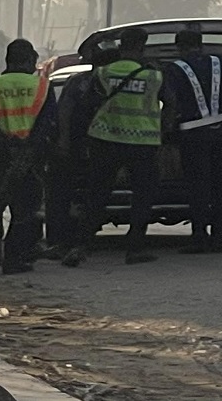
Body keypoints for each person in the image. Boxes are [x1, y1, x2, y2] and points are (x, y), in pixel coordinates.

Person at [63, 27, 173, 267]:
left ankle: (80, 247)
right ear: (142, 47)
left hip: (106, 141)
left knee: (97, 196)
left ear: (121, 46)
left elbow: (86, 106)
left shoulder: (103, 73)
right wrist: (163, 133)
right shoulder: (154, 76)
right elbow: (172, 106)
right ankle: (134, 249)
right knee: (142, 197)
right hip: (143, 144)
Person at [163, 29, 222, 254]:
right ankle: (221, 236)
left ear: (179, 47)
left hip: (193, 135)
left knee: (198, 185)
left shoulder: (174, 69)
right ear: (201, 45)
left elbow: (171, 102)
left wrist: (165, 130)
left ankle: (200, 237)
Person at [0, 39, 57, 275]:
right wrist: (28, 146)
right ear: (30, 60)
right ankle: (14, 259)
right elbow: (47, 123)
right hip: (30, 157)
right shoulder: (42, 86)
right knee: (24, 211)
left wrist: (5, 143)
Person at [46, 39, 119, 259]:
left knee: (63, 193)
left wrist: (64, 142)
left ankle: (62, 241)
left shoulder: (79, 82)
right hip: (106, 147)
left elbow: (64, 113)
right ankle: (80, 239)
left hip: (80, 146)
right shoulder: (114, 82)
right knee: (93, 194)